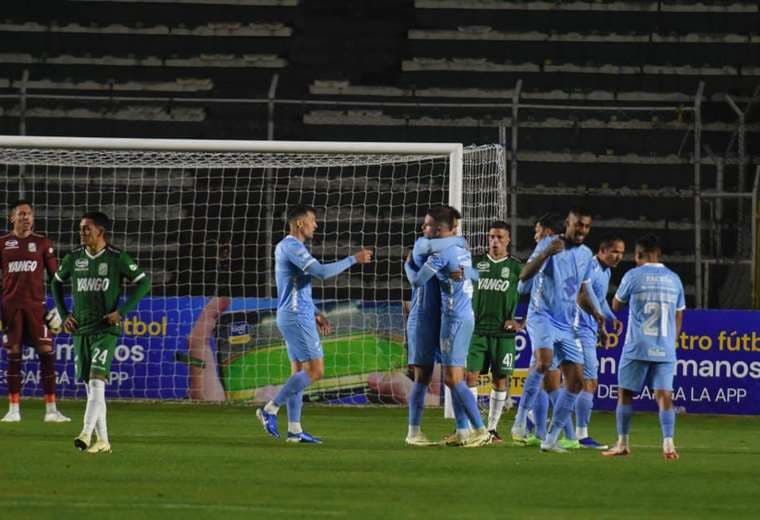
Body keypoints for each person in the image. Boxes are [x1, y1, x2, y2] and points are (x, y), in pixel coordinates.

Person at [256, 205, 372, 443]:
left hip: (296, 313)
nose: (315, 225)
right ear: (300, 224)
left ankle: (295, 430)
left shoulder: (291, 248)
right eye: (313, 220)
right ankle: (269, 409)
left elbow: (298, 287)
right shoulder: (291, 246)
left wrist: (316, 312)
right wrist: (353, 259)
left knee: (299, 373)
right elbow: (320, 272)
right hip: (296, 316)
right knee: (316, 371)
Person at [51, 211, 151, 454]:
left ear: (100, 232)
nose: (82, 232)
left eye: (87, 228)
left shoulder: (117, 257)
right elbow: (55, 282)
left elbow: (144, 282)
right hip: (81, 330)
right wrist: (65, 316)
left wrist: (122, 311)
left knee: (97, 382)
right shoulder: (74, 258)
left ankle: (85, 433)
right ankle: (103, 440)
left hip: (106, 329)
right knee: (92, 388)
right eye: (81, 228)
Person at [510, 208, 605, 453]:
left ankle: (551, 439)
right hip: (541, 315)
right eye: (578, 225)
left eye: (586, 226)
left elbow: (582, 291)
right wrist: (546, 254)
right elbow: (523, 278)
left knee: (575, 382)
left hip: (567, 323)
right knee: (544, 362)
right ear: (567, 224)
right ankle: (519, 421)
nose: (582, 230)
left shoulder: (586, 254)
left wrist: (597, 316)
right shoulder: (549, 244)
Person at [405, 206, 490, 447]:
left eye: (428, 224)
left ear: (442, 229)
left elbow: (417, 279)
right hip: (433, 318)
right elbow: (475, 274)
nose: (423, 229)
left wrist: (407, 266)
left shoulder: (439, 251)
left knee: (453, 378)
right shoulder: (460, 248)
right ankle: (451, 431)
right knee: (429, 377)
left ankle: (476, 430)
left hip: (450, 318)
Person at [603, 234, 685, 460]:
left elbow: (616, 305)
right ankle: (668, 444)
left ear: (638, 254)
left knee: (625, 394)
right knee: (665, 396)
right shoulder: (674, 279)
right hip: (666, 348)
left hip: (637, 346)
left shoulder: (633, 276)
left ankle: (623, 443)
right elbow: (679, 317)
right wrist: (672, 342)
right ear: (659, 254)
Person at [0, 200, 69, 423]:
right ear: (12, 218)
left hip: (36, 307)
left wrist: (60, 308)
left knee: (47, 353)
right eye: (21, 214)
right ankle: (13, 409)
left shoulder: (41, 243)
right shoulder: (3, 243)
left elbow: (56, 277)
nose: (26, 218)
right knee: (13, 355)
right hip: (10, 307)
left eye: (29, 214)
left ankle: (51, 410)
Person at [465, 221, 523, 442]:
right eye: (491, 237)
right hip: (477, 331)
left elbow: (535, 296)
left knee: (500, 381)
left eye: (499, 237)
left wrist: (521, 322)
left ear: (508, 240)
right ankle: (475, 428)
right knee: (470, 377)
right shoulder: (476, 264)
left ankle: (491, 429)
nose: (495, 241)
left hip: (503, 334)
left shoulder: (516, 268)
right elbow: (459, 283)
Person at [573, 236, 624, 449]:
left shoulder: (606, 271)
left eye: (621, 253)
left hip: (588, 328)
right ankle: (581, 435)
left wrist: (611, 317)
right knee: (588, 382)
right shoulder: (590, 267)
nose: (619, 256)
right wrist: (599, 320)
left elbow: (600, 299)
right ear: (602, 250)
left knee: (567, 381)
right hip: (579, 329)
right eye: (615, 251)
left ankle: (532, 416)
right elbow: (581, 296)